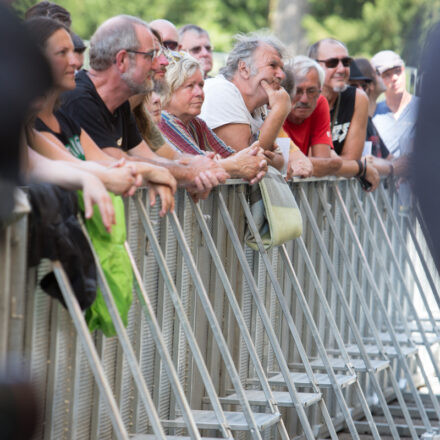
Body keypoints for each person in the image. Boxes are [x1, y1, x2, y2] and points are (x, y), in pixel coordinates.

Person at [60, 15, 228, 200]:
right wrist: (186, 174)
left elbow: (150, 158)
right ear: (122, 60)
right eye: (151, 55)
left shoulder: (120, 104)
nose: (164, 62)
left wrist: (192, 169)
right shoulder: (79, 100)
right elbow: (115, 162)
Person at [25, 16, 179, 216]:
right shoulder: (75, 103)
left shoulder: (55, 120)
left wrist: (152, 172)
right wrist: (149, 172)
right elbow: (75, 167)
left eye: (72, 52)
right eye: (62, 53)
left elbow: (88, 163)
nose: (75, 62)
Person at [158, 53, 267, 183]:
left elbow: (232, 156)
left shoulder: (197, 124)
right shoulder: (164, 119)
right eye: (190, 86)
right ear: (169, 89)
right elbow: (199, 167)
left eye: (201, 85)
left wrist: (255, 159)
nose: (199, 93)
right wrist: (235, 164)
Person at [201, 33, 298, 174]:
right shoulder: (220, 91)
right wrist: (279, 110)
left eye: (282, 68)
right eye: (273, 65)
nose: (282, 75)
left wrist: (278, 162)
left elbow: (274, 161)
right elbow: (248, 165)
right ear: (244, 69)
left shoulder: (259, 107)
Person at [308, 38, 379, 190]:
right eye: (332, 63)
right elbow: (307, 162)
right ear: (314, 65)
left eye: (346, 62)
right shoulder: (302, 98)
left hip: (336, 199)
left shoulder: (358, 99)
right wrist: (360, 168)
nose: (341, 69)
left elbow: (351, 158)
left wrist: (347, 164)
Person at [281, 56, 341, 177]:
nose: (304, 99)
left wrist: (334, 164)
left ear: (320, 90)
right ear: (284, 90)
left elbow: (324, 163)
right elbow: (277, 163)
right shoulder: (274, 105)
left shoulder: (320, 103)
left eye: (311, 91)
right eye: (297, 91)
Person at [371, 50, 419, 158]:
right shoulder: (373, 114)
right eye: (386, 75)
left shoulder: (424, 107)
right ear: (376, 80)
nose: (394, 78)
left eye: (398, 71)